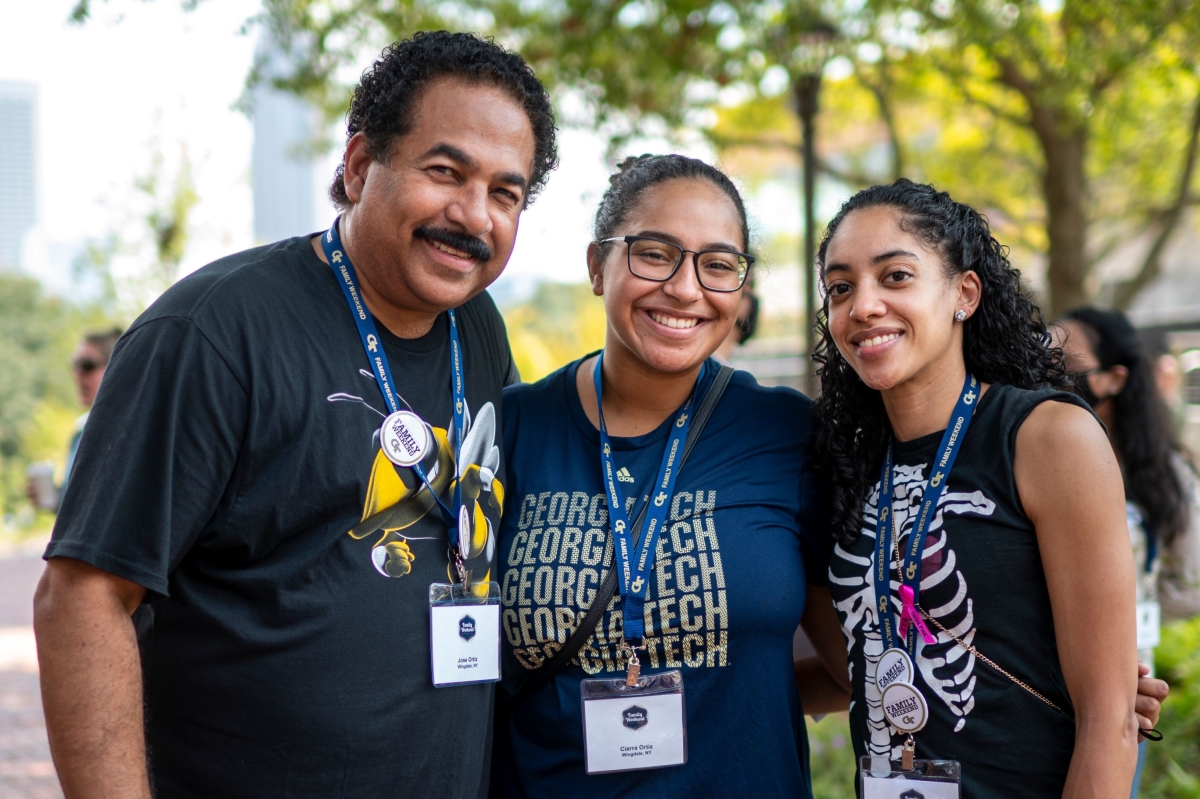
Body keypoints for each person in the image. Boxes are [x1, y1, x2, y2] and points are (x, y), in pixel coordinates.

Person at [34, 31, 557, 798]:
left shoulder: (476, 330)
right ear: (357, 166)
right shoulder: (214, 331)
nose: (474, 215)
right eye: (446, 171)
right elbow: (82, 597)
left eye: (505, 192)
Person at [492, 154, 851, 796]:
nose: (686, 288)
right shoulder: (513, 428)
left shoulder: (788, 434)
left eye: (717, 265)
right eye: (654, 253)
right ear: (598, 267)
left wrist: (743, 693)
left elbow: (854, 670)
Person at [814, 179, 1145, 797]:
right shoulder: (844, 464)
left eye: (895, 276)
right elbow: (845, 668)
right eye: (840, 287)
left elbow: (1112, 722)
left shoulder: (1049, 438)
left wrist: (1123, 689)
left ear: (963, 293)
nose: (862, 306)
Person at [1057, 306, 1200, 796]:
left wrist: (1139, 601)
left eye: (1065, 363)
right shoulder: (1026, 455)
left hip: (1125, 691)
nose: (1048, 372)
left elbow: (1189, 584)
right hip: (1037, 681)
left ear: (1114, 378)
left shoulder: (1162, 473)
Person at [26, 328, 122, 510]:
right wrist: (54, 500)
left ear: (116, 367)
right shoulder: (81, 429)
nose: (77, 373)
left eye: (87, 366)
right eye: (74, 365)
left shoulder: (129, 430)